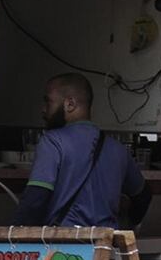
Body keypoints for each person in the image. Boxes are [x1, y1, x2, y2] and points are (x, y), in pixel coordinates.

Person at [16, 72, 151, 230]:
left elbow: (36, 198)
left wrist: (13, 240)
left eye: (48, 101)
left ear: (70, 104)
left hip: (64, 248)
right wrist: (131, 224)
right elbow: (144, 196)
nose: (43, 109)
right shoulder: (118, 149)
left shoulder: (52, 141)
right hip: (106, 247)